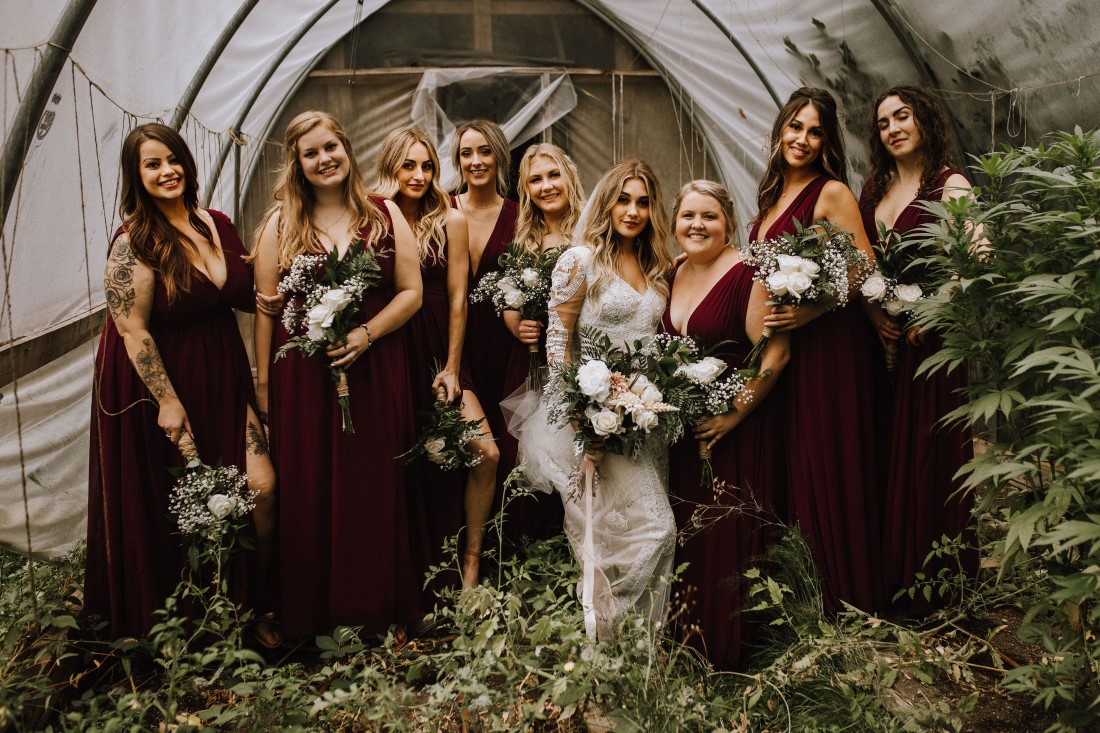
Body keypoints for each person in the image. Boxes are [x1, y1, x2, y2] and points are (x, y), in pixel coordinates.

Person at [85, 123, 277, 644]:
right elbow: (132, 329)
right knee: (185, 501)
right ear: (136, 176)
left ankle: (256, 601)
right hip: (162, 383)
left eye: (173, 160)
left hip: (222, 372)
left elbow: (247, 288)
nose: (167, 171)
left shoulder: (214, 223)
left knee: (258, 485)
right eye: (152, 164)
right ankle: (197, 627)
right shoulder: (134, 243)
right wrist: (167, 402)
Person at [252, 111, 422, 639]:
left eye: (332, 148)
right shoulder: (280, 223)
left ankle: (372, 608)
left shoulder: (385, 213)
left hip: (372, 372)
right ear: (297, 165)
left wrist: (366, 334)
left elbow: (411, 291)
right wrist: (264, 387)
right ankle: (310, 615)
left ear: (347, 150)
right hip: (302, 377)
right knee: (308, 485)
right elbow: (266, 309)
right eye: (311, 153)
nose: (324, 159)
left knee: (370, 484)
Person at [527, 157, 676, 640]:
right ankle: (606, 641)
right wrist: (582, 416)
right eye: (624, 199)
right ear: (607, 202)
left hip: (644, 420)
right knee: (653, 530)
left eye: (643, 202)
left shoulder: (657, 267)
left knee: (626, 537)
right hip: (593, 420)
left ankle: (634, 657)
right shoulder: (580, 260)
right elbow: (557, 341)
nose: (633, 211)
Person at [751, 87, 884, 613]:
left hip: (830, 347)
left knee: (827, 459)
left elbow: (865, 270)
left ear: (826, 141)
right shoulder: (771, 196)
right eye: (794, 127)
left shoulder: (829, 193)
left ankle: (846, 595)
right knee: (796, 461)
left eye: (814, 131)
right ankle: (804, 588)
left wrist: (812, 310)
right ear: (780, 129)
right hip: (790, 348)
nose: (802, 139)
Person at [859, 86, 978, 610]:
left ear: (924, 120)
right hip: (878, 338)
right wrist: (874, 311)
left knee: (926, 455)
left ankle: (935, 586)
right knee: (883, 451)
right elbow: (858, 261)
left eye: (902, 116)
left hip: (929, 343)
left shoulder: (949, 184)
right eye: (884, 123)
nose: (893, 128)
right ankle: (885, 577)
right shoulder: (872, 190)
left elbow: (976, 256)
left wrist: (934, 310)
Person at [662, 180, 789, 669]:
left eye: (709, 216)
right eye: (688, 215)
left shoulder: (747, 274)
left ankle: (730, 652)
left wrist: (732, 415)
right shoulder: (674, 272)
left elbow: (776, 353)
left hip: (734, 431)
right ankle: (686, 642)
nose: (697, 225)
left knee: (723, 538)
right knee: (689, 535)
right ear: (675, 223)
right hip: (685, 436)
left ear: (728, 223)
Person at [373, 127, 498, 593]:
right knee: (401, 460)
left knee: (485, 452)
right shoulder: (371, 216)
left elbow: (458, 298)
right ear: (390, 165)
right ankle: (405, 571)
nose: (420, 175)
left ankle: (470, 564)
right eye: (409, 165)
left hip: (439, 347)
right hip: (389, 347)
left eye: (427, 165)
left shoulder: (451, 218)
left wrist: (451, 367)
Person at [498, 143, 587, 543]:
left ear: (569, 175)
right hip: (535, 366)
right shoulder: (525, 241)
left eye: (554, 175)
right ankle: (541, 551)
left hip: (586, 354)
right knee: (543, 460)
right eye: (536, 179)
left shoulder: (592, 230)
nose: (547, 186)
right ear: (526, 188)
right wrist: (517, 325)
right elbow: (508, 300)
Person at [449, 119, 525, 553]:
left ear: (499, 156)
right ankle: (461, 552)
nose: (475, 161)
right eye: (466, 153)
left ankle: (504, 552)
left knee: (507, 454)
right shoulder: (442, 208)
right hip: (454, 347)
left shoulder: (519, 216)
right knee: (472, 450)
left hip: (505, 348)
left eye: (484, 152)